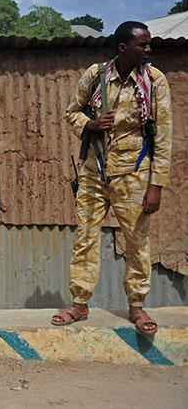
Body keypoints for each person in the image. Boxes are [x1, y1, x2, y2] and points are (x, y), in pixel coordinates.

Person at [54, 21, 172, 334]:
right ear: (123, 48)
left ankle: (137, 307)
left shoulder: (154, 81)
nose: (149, 50)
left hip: (134, 174)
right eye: (142, 45)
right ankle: (79, 303)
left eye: (149, 44)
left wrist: (156, 185)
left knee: (136, 243)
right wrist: (90, 125)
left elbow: (163, 137)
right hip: (94, 171)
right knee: (85, 238)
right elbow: (72, 112)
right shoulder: (95, 76)